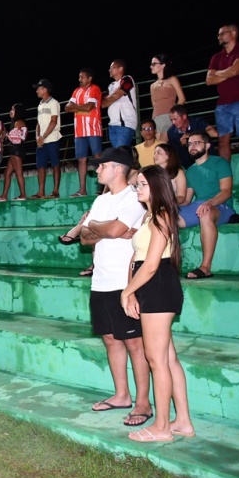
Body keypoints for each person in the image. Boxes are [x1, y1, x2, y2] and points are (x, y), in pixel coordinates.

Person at [121, 165, 194, 442]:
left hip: (158, 285)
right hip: (152, 285)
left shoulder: (162, 215)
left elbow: (151, 264)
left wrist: (126, 292)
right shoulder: (150, 215)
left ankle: (162, 427)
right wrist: (131, 290)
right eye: (137, 184)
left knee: (156, 359)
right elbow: (137, 259)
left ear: (157, 186)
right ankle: (183, 422)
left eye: (143, 184)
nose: (138, 189)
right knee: (168, 358)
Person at [80, 147, 151, 427]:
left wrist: (96, 226)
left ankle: (143, 402)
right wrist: (104, 228)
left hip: (126, 282)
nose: (97, 170)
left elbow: (108, 230)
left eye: (102, 165)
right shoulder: (101, 199)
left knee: (135, 343)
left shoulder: (133, 197)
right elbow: (84, 237)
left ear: (118, 168)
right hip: (100, 280)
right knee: (110, 339)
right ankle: (122, 395)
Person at [178, 131, 234, 279]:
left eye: (197, 143)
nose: (192, 146)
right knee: (166, 216)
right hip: (198, 205)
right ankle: (167, 264)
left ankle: (205, 267)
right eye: (190, 144)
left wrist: (209, 203)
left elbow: (226, 191)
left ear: (207, 146)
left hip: (222, 205)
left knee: (205, 213)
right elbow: (186, 200)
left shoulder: (219, 163)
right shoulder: (190, 170)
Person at [207, 24, 239, 182]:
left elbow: (236, 69)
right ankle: (225, 178)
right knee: (223, 140)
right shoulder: (216, 57)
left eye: (222, 34)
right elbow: (209, 80)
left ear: (233, 33)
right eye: (218, 34)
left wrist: (218, 73)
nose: (219, 37)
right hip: (222, 104)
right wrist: (229, 72)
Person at [65, 68, 103, 197]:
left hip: (93, 129)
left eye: (82, 77)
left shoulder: (95, 89)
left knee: (98, 157)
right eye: (79, 77)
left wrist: (75, 107)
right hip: (79, 131)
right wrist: (81, 107)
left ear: (89, 78)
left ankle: (102, 187)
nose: (79, 79)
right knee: (81, 159)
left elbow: (89, 107)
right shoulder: (76, 91)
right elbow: (67, 108)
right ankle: (82, 190)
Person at [30, 79, 62, 199]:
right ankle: (41, 191)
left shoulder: (54, 103)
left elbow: (53, 122)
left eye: (38, 88)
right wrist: (37, 137)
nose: (37, 91)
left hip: (52, 138)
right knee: (40, 166)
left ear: (45, 89)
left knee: (55, 164)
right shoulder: (40, 105)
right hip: (41, 140)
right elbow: (38, 124)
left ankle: (55, 191)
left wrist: (42, 137)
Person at [165, 104, 219, 169]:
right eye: (171, 120)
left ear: (184, 116)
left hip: (209, 162)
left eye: (175, 119)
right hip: (189, 167)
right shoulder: (171, 132)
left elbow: (215, 134)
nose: (173, 122)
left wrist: (191, 135)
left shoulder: (197, 122)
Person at [102, 59, 138, 149]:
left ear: (120, 68)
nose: (109, 70)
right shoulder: (111, 85)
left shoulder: (127, 79)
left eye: (112, 68)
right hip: (112, 124)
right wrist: (115, 95)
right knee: (118, 154)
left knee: (121, 152)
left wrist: (111, 97)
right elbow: (103, 104)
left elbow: (116, 96)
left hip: (125, 123)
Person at [149, 54, 186, 141]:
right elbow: (154, 103)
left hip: (168, 116)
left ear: (163, 65)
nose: (151, 66)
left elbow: (182, 98)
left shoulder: (172, 79)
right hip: (156, 118)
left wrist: (174, 115)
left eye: (154, 64)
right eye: (151, 64)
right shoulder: (152, 86)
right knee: (160, 144)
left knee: (162, 144)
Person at [0, 103, 28, 201]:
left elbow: (19, 137)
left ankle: (23, 194)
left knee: (18, 172)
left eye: (13, 109)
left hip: (16, 150)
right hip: (14, 150)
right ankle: (4, 195)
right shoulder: (15, 121)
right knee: (7, 172)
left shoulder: (18, 122)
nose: (11, 111)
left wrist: (6, 135)